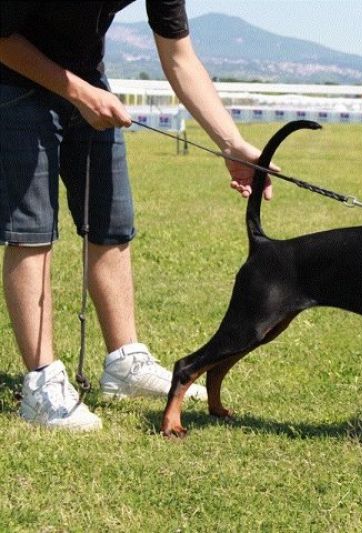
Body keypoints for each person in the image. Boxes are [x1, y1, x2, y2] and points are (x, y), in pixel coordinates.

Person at [0, 1, 276, 431]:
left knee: (112, 223)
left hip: (88, 80)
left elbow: (180, 57)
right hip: (13, 81)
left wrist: (231, 144)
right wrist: (77, 92)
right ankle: (41, 383)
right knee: (31, 231)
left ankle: (124, 363)